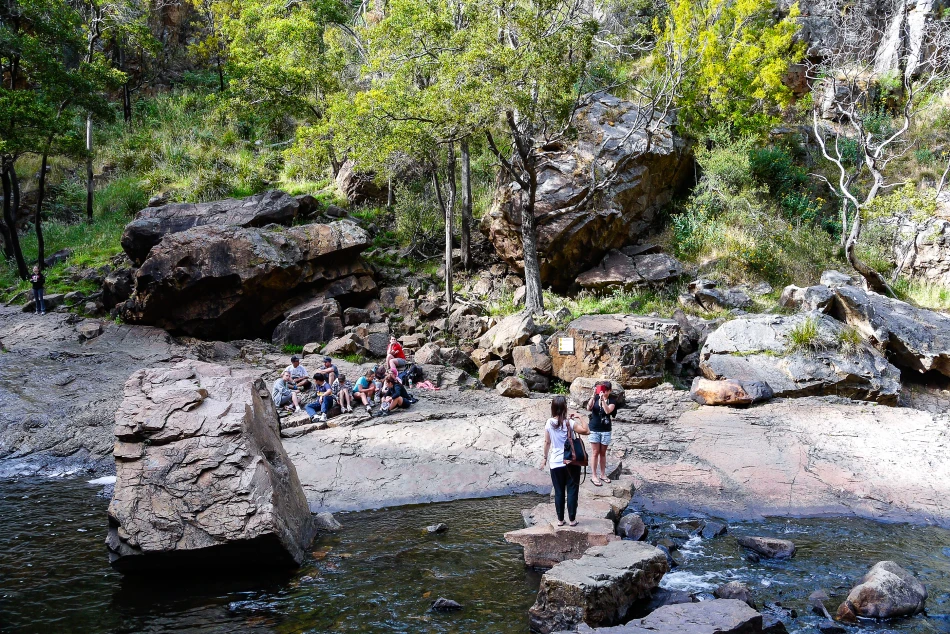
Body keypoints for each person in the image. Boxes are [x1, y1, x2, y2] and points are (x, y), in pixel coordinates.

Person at [540, 395, 589, 526]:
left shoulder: (549, 423)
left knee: (559, 491)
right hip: (571, 462)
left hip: (555, 463)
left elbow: (547, 442)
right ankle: (572, 520)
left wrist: (544, 458)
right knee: (572, 490)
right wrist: (580, 417)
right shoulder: (570, 423)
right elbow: (586, 431)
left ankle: (560, 520)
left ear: (553, 408)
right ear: (565, 408)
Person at [586, 381, 617, 486]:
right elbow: (588, 408)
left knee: (603, 453)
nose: (605, 392)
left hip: (606, 430)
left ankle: (603, 474)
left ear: (610, 391)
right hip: (594, 428)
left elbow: (608, 411)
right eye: (603, 390)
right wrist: (593, 395)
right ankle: (594, 475)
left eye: (607, 390)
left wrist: (603, 400)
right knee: (595, 452)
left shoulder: (612, 400)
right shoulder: (595, 397)